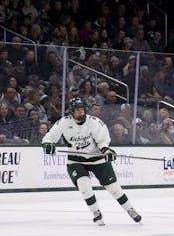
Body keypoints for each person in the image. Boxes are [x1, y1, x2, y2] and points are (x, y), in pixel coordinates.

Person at [41, 97, 142, 226]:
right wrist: (48, 144)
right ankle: (96, 213)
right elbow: (49, 137)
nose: (80, 113)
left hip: (97, 158)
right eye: (77, 111)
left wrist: (106, 150)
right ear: (71, 112)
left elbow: (103, 141)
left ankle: (130, 209)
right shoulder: (63, 123)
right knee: (84, 186)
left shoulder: (95, 122)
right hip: (76, 160)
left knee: (114, 188)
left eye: (82, 110)